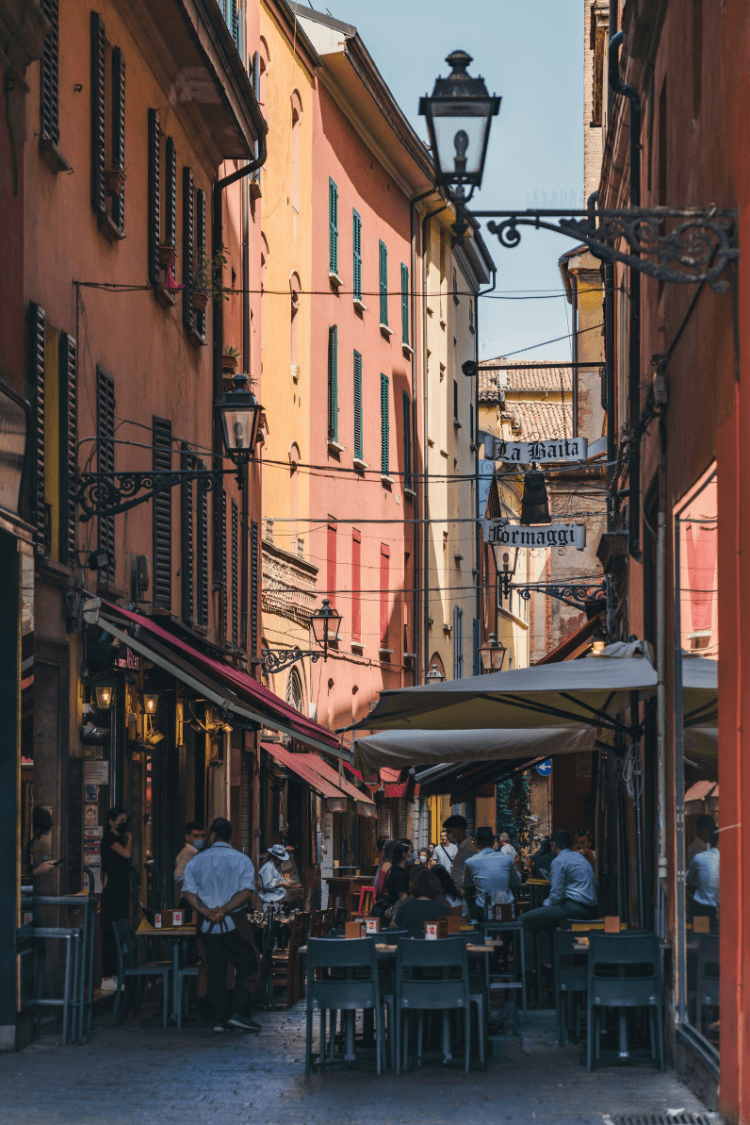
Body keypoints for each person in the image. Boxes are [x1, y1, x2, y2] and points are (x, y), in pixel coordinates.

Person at [182, 816, 260, 1033]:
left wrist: (208, 912)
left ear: (212, 835)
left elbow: (188, 892)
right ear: (230, 836)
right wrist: (224, 910)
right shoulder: (242, 860)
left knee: (215, 969)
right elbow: (246, 892)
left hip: (208, 927)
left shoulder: (197, 860)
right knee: (249, 963)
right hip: (234, 923)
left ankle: (219, 1019)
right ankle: (240, 1012)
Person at [521, 830, 599, 966]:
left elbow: (556, 895)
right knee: (544, 922)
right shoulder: (578, 857)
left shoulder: (559, 861)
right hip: (589, 909)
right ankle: (548, 965)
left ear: (554, 844)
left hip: (574, 908)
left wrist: (543, 908)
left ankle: (530, 970)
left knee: (523, 920)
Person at [100, 807, 133, 992]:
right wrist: (131, 839)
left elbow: (107, 869)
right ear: (112, 822)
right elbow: (127, 855)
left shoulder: (116, 839)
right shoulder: (110, 838)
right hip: (113, 893)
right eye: (121, 819)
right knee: (110, 934)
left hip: (116, 890)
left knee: (117, 933)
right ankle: (107, 976)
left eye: (125, 819)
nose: (123, 822)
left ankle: (114, 974)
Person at [463, 826, 521, 918]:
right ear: (493, 841)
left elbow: (467, 885)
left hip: (484, 912)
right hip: (507, 910)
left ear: (477, 842)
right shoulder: (506, 859)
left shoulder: (470, 861)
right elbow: (517, 882)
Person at [390, 869, 451, 935]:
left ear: (414, 886)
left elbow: (395, 931)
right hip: (435, 944)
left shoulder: (404, 909)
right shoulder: (443, 910)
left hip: (409, 944)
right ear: (435, 887)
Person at [686, 826, 720, 928]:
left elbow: (688, 880)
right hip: (724, 910)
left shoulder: (699, 858)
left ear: (709, 840)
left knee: (701, 936)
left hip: (702, 910)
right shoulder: (733, 861)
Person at [442, 815, 478, 895]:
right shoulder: (461, 848)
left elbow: (472, 876)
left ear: (458, 830)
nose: (447, 835)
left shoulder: (469, 849)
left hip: (464, 893)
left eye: (449, 831)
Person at [174, 821, 205, 900]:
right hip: (191, 902)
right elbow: (178, 876)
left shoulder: (195, 853)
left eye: (202, 836)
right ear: (187, 837)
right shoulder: (188, 853)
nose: (200, 839)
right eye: (196, 836)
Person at [24, 806, 56, 880]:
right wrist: (38, 870)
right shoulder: (21, 845)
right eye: (40, 833)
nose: (38, 837)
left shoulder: (30, 845)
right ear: (38, 830)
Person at [258, 844, 290, 909]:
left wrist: (286, 882)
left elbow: (276, 880)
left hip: (275, 900)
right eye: (281, 859)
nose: (282, 861)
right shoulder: (268, 868)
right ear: (275, 858)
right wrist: (282, 884)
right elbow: (267, 886)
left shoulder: (275, 867)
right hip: (269, 902)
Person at [381, 842, 410, 907]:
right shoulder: (399, 875)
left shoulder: (395, 871)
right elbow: (403, 897)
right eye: (410, 854)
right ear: (405, 855)